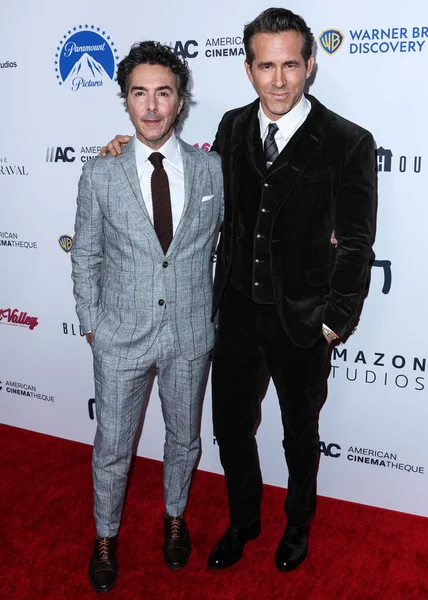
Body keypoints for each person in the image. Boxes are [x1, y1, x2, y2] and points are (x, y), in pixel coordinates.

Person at [101, 7, 377, 574]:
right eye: (266, 66)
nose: (279, 81)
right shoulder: (230, 127)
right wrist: (125, 154)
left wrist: (334, 321)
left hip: (304, 323)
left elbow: (356, 244)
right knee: (229, 430)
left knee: (301, 435)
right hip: (235, 316)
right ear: (248, 68)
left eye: (291, 65)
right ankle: (245, 520)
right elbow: (189, 177)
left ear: (310, 65)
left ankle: (297, 523)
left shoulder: (348, 141)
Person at [71, 41, 223, 593]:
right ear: (126, 101)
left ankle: (175, 516)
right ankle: (105, 534)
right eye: (140, 93)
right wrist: (92, 323)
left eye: (164, 93)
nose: (152, 106)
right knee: (113, 445)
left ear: (180, 102)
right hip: (119, 338)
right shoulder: (100, 173)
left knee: (184, 440)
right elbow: (85, 253)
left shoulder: (212, 171)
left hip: (188, 335)